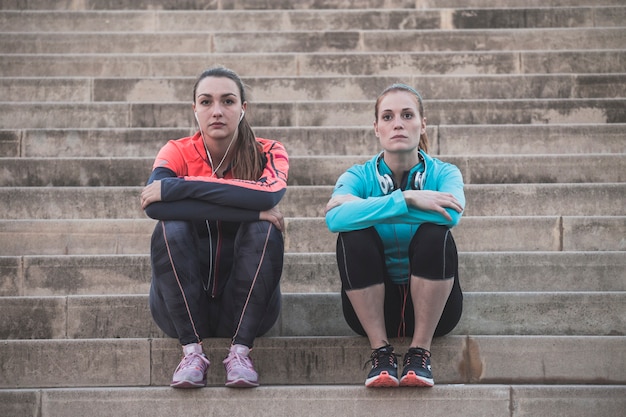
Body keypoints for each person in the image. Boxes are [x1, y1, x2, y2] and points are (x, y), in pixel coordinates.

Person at [140, 66, 289, 389]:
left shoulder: (268, 151)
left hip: (249, 309)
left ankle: (240, 352)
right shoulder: (176, 151)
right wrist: (251, 211)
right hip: (177, 309)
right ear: (195, 109)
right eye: (206, 102)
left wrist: (180, 187)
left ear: (243, 108)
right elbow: (156, 206)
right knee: (171, 225)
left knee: (267, 231)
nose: (217, 111)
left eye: (228, 101)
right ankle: (192, 352)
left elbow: (272, 193)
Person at [324, 83, 465, 388]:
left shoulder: (445, 173)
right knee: (352, 234)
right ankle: (381, 353)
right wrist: (409, 200)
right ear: (376, 127)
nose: (397, 123)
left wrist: (365, 207)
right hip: (374, 309)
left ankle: (420, 352)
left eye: (407, 114)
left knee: (435, 232)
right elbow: (335, 218)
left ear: (422, 123)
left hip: (436, 313)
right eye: (387, 117)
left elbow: (451, 214)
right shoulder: (357, 176)